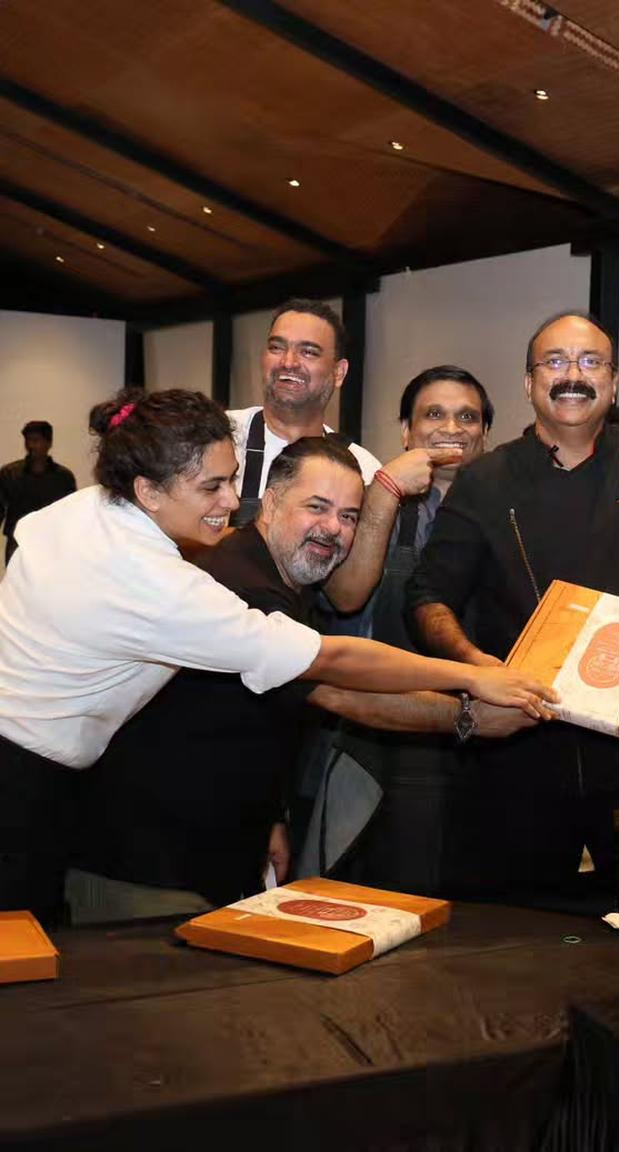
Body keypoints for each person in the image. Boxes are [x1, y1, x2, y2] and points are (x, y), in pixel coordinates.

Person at [0, 389, 553, 925]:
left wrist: (270, 817)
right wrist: (470, 686)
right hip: (56, 797)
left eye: (349, 515)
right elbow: (332, 668)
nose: (228, 501)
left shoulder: (90, 508)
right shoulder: (169, 587)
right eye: (211, 486)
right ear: (148, 490)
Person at [409, 310, 619, 902]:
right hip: (521, 750)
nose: (573, 376)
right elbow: (429, 595)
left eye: (591, 363)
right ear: (529, 383)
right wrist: (474, 664)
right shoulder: (484, 481)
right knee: (513, 931)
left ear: (613, 384)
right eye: (555, 362)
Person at [334, 366, 500, 894]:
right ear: (406, 432)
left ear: (485, 435)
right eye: (434, 414)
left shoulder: (510, 511)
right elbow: (343, 597)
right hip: (391, 727)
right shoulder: (371, 504)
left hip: (491, 727)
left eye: (467, 416)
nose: (451, 426)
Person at [227, 298, 452, 619]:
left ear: (339, 372)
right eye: (277, 347)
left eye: (308, 352)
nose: (288, 362)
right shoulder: (217, 435)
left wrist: (385, 489)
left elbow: (347, 596)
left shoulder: (361, 467)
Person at [0, 421, 76, 564]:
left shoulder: (63, 478)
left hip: (50, 541)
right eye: (28, 440)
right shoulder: (9, 473)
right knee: (15, 583)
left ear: (48, 443)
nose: (31, 446)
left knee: (48, 582)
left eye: (36, 440)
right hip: (17, 541)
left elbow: (70, 514)